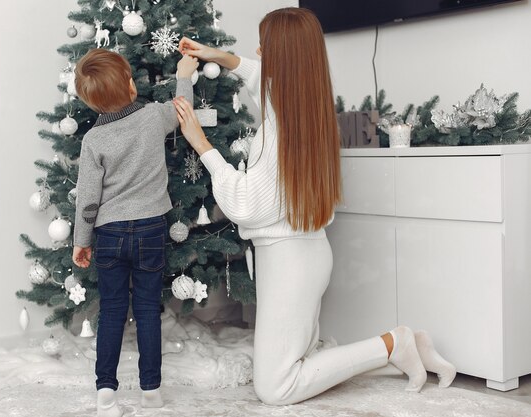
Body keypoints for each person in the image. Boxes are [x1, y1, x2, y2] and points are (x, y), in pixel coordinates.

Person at [173, 7, 456, 406]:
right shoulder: (303, 107)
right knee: (299, 360)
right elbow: (261, 78)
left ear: (284, 56)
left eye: (265, 45)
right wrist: (218, 56)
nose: (257, 50)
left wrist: (200, 144)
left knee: (274, 387)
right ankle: (413, 348)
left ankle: (394, 344)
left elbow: (247, 205)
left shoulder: (281, 132)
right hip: (300, 255)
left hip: (290, 262)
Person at [71, 48, 198, 417]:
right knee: (146, 309)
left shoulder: (92, 141)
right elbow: (181, 110)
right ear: (130, 85)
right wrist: (184, 74)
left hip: (109, 234)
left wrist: (82, 241)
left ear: (91, 102)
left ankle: (106, 395)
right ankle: (151, 392)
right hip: (150, 230)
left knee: (111, 311)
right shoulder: (151, 117)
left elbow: (88, 201)